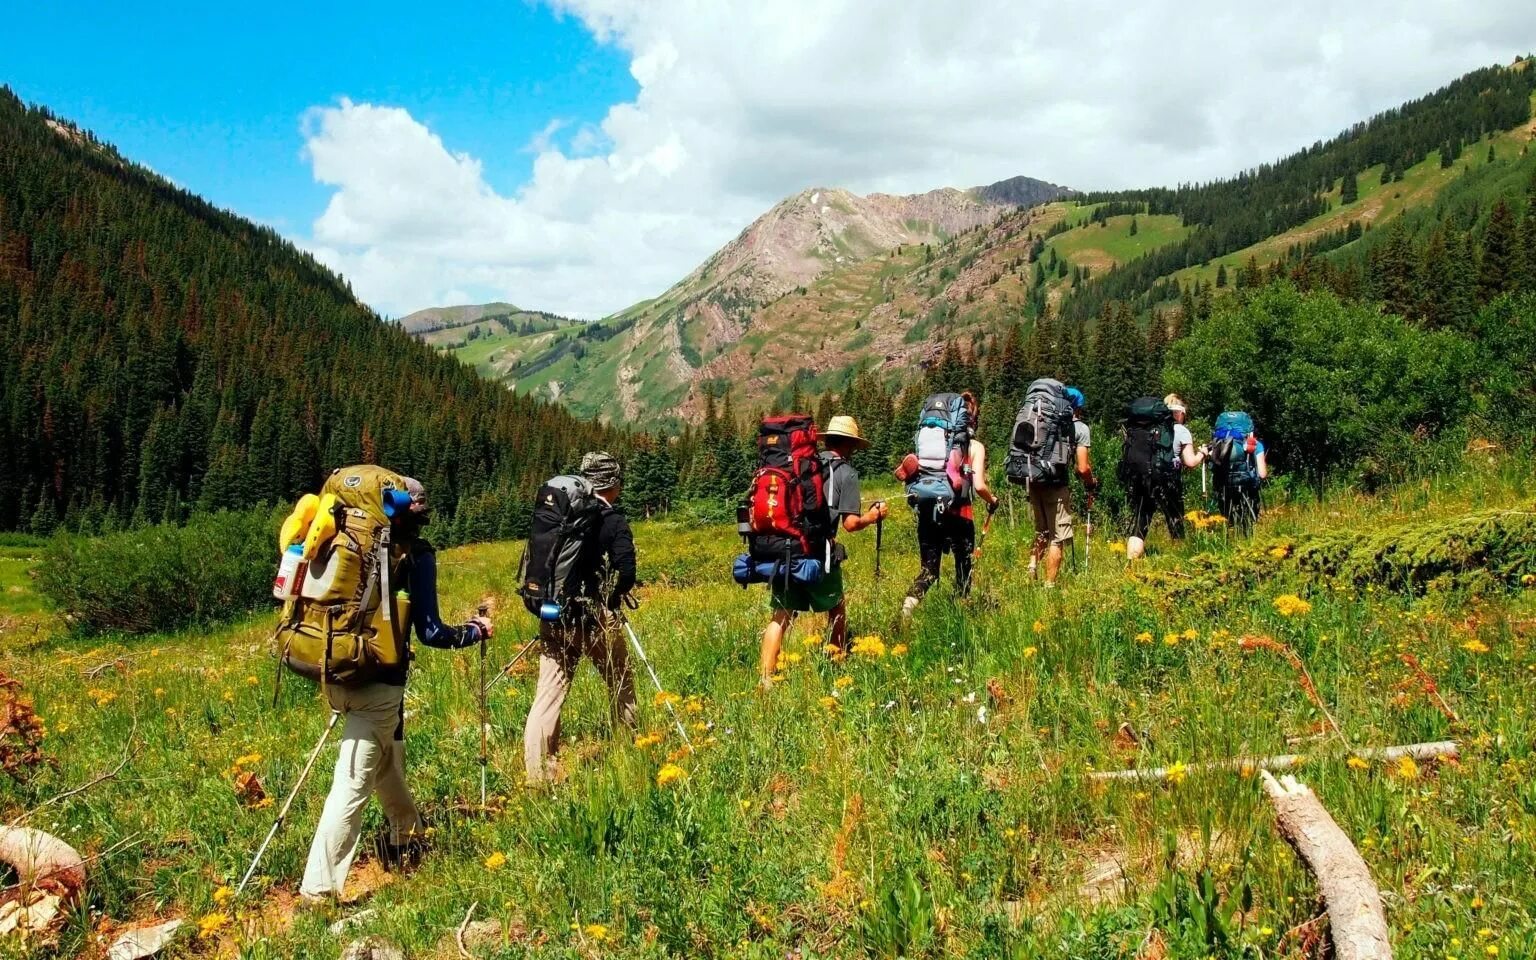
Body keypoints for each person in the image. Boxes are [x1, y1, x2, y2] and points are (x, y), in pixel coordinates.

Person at [301, 477, 493, 902]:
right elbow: (430, 632)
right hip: (378, 684)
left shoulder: (345, 540)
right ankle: (318, 889)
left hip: (331, 669)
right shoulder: (415, 555)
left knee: (385, 758)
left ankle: (407, 836)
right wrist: (474, 631)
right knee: (352, 784)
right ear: (416, 514)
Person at [523, 452, 639, 784]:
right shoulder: (611, 520)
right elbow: (626, 571)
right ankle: (630, 748)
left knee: (549, 693)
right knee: (620, 682)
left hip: (554, 613)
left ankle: (538, 774)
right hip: (593, 617)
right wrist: (614, 599)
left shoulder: (565, 515)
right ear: (614, 484)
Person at [758, 415, 887, 686]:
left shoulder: (805, 465)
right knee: (837, 606)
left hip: (786, 547)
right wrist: (873, 517)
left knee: (782, 614)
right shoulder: (847, 473)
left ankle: (766, 680)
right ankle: (836, 663)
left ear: (825, 440)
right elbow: (851, 524)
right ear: (851, 445)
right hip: (818, 551)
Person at [901, 391, 998, 619]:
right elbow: (980, 486)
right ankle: (960, 617)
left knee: (929, 571)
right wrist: (993, 500)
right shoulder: (975, 447)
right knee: (963, 570)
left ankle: (906, 610)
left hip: (929, 512)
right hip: (960, 516)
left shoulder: (934, 442)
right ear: (972, 419)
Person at [1028, 387, 1098, 586]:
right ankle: (1049, 587)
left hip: (1034, 480)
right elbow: (1083, 468)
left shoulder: (1041, 421)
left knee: (1041, 531)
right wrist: (1091, 483)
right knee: (1057, 537)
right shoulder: (1080, 429)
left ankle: (1032, 566)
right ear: (1077, 408)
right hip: (1057, 484)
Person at [1125, 394, 1206, 561]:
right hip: (1168, 479)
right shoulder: (1181, 430)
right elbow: (1190, 462)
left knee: (1140, 524)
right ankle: (1179, 561)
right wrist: (1203, 453)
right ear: (1181, 413)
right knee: (1175, 522)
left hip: (1143, 477)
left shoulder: (1146, 428)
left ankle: (1131, 563)